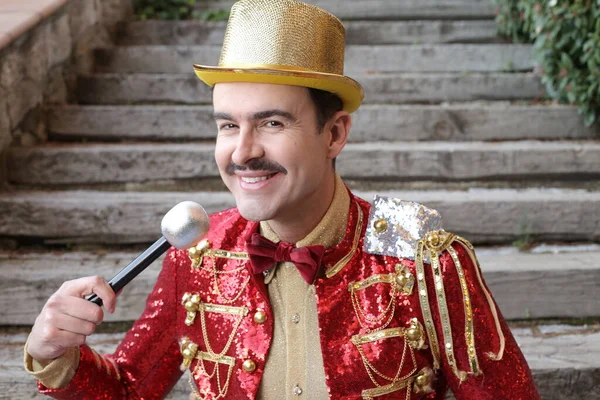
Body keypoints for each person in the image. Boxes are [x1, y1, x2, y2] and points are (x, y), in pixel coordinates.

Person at [24, 0, 541, 399]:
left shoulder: (425, 260)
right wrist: (56, 353)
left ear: (335, 134)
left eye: (272, 122)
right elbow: (130, 388)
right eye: (228, 125)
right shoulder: (196, 256)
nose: (243, 153)